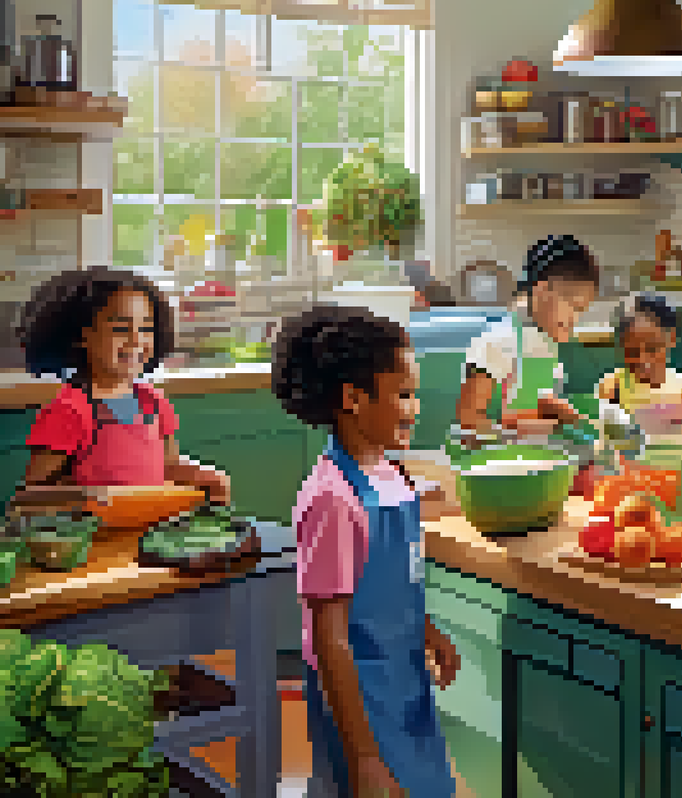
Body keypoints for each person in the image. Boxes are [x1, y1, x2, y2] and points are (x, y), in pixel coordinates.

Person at [273, 305, 464, 798]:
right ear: (354, 398)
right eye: (403, 394)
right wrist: (362, 755)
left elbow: (396, 578)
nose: (415, 407)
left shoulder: (390, 475)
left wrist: (426, 631)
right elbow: (330, 638)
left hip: (404, 677)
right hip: (358, 696)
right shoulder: (333, 500)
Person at [19, 267, 230, 501]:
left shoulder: (153, 402)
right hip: (94, 535)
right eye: (120, 328)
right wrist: (89, 496)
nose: (136, 340)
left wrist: (204, 475)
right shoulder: (70, 410)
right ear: (81, 336)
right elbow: (33, 494)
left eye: (146, 328)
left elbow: (167, 465)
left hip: (152, 530)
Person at [455, 235, 599, 441]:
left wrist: (564, 413)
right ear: (541, 291)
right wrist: (522, 429)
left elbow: (536, 400)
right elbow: (468, 424)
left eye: (581, 311)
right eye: (573, 307)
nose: (575, 319)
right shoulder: (496, 343)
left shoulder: (546, 341)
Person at [595, 294, 682, 434]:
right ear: (621, 346)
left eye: (653, 349)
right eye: (632, 352)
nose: (643, 360)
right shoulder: (612, 386)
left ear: (671, 339)